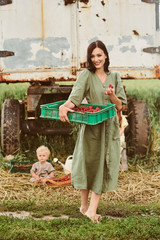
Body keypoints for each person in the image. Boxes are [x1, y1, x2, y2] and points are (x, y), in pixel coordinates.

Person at [59, 40, 127, 223]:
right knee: (88, 164)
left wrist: (112, 95)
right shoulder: (86, 76)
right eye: (92, 56)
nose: (96, 59)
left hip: (109, 127)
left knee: (103, 166)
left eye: (99, 55)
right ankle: (84, 206)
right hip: (91, 126)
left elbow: (120, 106)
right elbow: (75, 99)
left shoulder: (115, 76)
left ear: (105, 55)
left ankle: (92, 210)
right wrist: (63, 108)